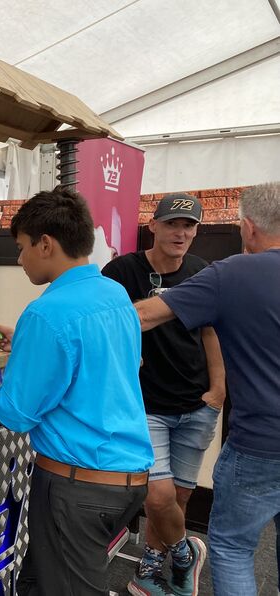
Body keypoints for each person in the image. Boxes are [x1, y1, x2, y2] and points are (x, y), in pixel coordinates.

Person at [0, 187, 154, 595]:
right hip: (128, 479)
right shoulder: (115, 295)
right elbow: (105, 364)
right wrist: (26, 343)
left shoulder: (47, 313)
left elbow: (13, 413)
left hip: (78, 486)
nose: (19, 259)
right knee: (39, 583)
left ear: (45, 244)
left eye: (22, 247)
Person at [136, 182, 280, 596]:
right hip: (160, 405)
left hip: (259, 443)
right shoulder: (132, 268)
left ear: (248, 227)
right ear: (154, 226)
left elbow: (141, 316)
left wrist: (37, 331)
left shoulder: (229, 273)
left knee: (233, 549)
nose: (180, 233)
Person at [102, 193, 223, 596]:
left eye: (189, 226)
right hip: (145, 405)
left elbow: (211, 333)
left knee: (179, 497)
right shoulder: (122, 271)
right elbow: (103, 322)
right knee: (157, 495)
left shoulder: (201, 271)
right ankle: (186, 555)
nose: (181, 233)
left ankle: (151, 567)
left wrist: (218, 390)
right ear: (152, 226)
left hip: (196, 403)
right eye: (172, 224)